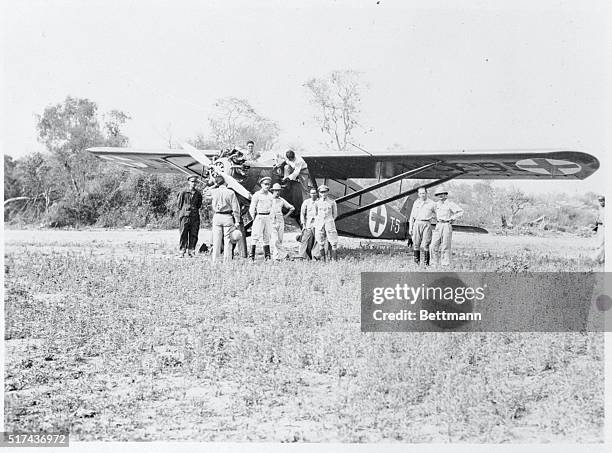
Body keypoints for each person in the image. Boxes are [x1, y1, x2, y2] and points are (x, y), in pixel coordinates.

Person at [209, 175, 241, 263]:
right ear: (225, 182)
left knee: (216, 240)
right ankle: (227, 261)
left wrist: (215, 185)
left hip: (217, 216)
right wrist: (237, 221)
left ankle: (215, 261)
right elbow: (235, 208)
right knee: (228, 240)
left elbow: (205, 192)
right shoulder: (231, 193)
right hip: (227, 217)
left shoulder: (213, 191)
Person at [430, 188, 464, 266]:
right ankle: (433, 263)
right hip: (438, 225)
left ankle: (445, 264)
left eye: (442, 194)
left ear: (446, 195)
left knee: (445, 245)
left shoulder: (450, 204)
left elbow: (460, 211)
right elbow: (430, 211)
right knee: (433, 245)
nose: (441, 196)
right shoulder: (436, 204)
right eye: (439, 194)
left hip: (446, 225)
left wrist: (452, 218)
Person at [248, 176, 275, 260]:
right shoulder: (257, 195)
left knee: (267, 236)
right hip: (259, 216)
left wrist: (271, 218)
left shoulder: (271, 195)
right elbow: (252, 207)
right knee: (255, 235)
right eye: (265, 184)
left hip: (267, 217)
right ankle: (251, 256)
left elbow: (273, 208)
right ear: (261, 185)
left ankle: (267, 256)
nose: (267, 186)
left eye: (269, 184)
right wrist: (253, 218)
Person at [409, 187, 436, 266]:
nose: (422, 195)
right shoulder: (416, 202)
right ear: (418, 194)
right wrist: (411, 227)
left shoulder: (432, 203)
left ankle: (426, 264)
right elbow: (412, 216)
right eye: (420, 193)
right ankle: (416, 263)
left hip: (426, 224)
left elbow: (438, 214)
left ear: (426, 193)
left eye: (423, 193)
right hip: (417, 223)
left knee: (426, 245)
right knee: (416, 244)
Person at [177, 176, 203, 257]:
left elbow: (199, 205)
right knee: (183, 233)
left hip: (194, 216)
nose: (193, 183)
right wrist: (184, 211)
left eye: (195, 182)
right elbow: (179, 204)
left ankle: (191, 250)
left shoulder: (198, 193)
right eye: (192, 182)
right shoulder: (183, 192)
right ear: (189, 182)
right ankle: (182, 250)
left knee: (194, 233)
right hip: (184, 216)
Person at [270, 183, 295, 260]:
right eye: (276, 191)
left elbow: (292, 208)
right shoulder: (269, 199)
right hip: (271, 221)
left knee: (280, 240)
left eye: (279, 191)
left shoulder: (281, 200)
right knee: (275, 240)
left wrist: (286, 216)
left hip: (280, 220)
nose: (277, 192)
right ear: (273, 191)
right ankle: (285, 255)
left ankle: (277, 257)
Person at [314, 185, 339, 261]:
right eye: (321, 192)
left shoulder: (332, 202)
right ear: (319, 193)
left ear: (327, 192)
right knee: (321, 243)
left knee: (333, 242)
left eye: (325, 192)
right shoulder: (317, 203)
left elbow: (335, 215)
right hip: (320, 224)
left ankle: (334, 261)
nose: (323, 194)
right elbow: (316, 214)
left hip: (329, 223)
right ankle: (323, 261)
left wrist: (329, 221)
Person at [299, 188, 318, 259]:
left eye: (315, 193)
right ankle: (301, 256)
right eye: (312, 193)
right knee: (304, 239)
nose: (313, 195)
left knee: (317, 240)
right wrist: (303, 225)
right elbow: (302, 214)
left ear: (317, 194)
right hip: (308, 224)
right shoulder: (306, 202)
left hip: (317, 224)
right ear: (310, 194)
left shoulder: (319, 202)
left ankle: (315, 256)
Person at [594, 195, 605, 263]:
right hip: (600, 228)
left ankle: (601, 259)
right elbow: (597, 219)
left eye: (602, 200)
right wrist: (596, 227)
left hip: (605, 227)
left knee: (603, 244)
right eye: (600, 201)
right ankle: (598, 259)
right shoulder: (600, 208)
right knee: (599, 244)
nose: (601, 202)